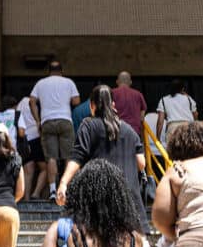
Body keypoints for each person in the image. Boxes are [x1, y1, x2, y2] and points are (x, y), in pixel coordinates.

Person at [57, 86, 148, 232]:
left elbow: (77, 157)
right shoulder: (129, 130)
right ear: (113, 105)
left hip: (99, 201)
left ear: (92, 105)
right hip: (129, 205)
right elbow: (141, 164)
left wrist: (63, 183)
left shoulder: (88, 125)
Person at [29, 60, 81, 199]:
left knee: (51, 158)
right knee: (68, 156)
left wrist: (38, 120)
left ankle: (52, 190)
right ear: (61, 71)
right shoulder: (68, 82)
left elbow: (32, 101)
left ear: (49, 71)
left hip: (47, 121)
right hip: (65, 120)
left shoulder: (41, 83)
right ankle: (67, 189)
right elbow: (76, 101)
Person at [17, 96, 47, 200]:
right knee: (46, 168)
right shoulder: (37, 104)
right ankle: (36, 193)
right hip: (36, 137)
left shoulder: (20, 103)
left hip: (25, 139)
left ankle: (26, 198)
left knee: (28, 170)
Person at [155, 79, 197, 144]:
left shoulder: (163, 100)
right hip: (188, 128)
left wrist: (157, 138)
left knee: (172, 152)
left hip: (172, 129)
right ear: (182, 89)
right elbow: (195, 115)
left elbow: (160, 121)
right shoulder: (189, 99)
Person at [112, 72, 147, 136]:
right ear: (130, 82)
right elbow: (142, 117)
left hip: (117, 131)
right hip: (134, 131)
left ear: (117, 82)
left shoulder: (111, 93)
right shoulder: (138, 94)